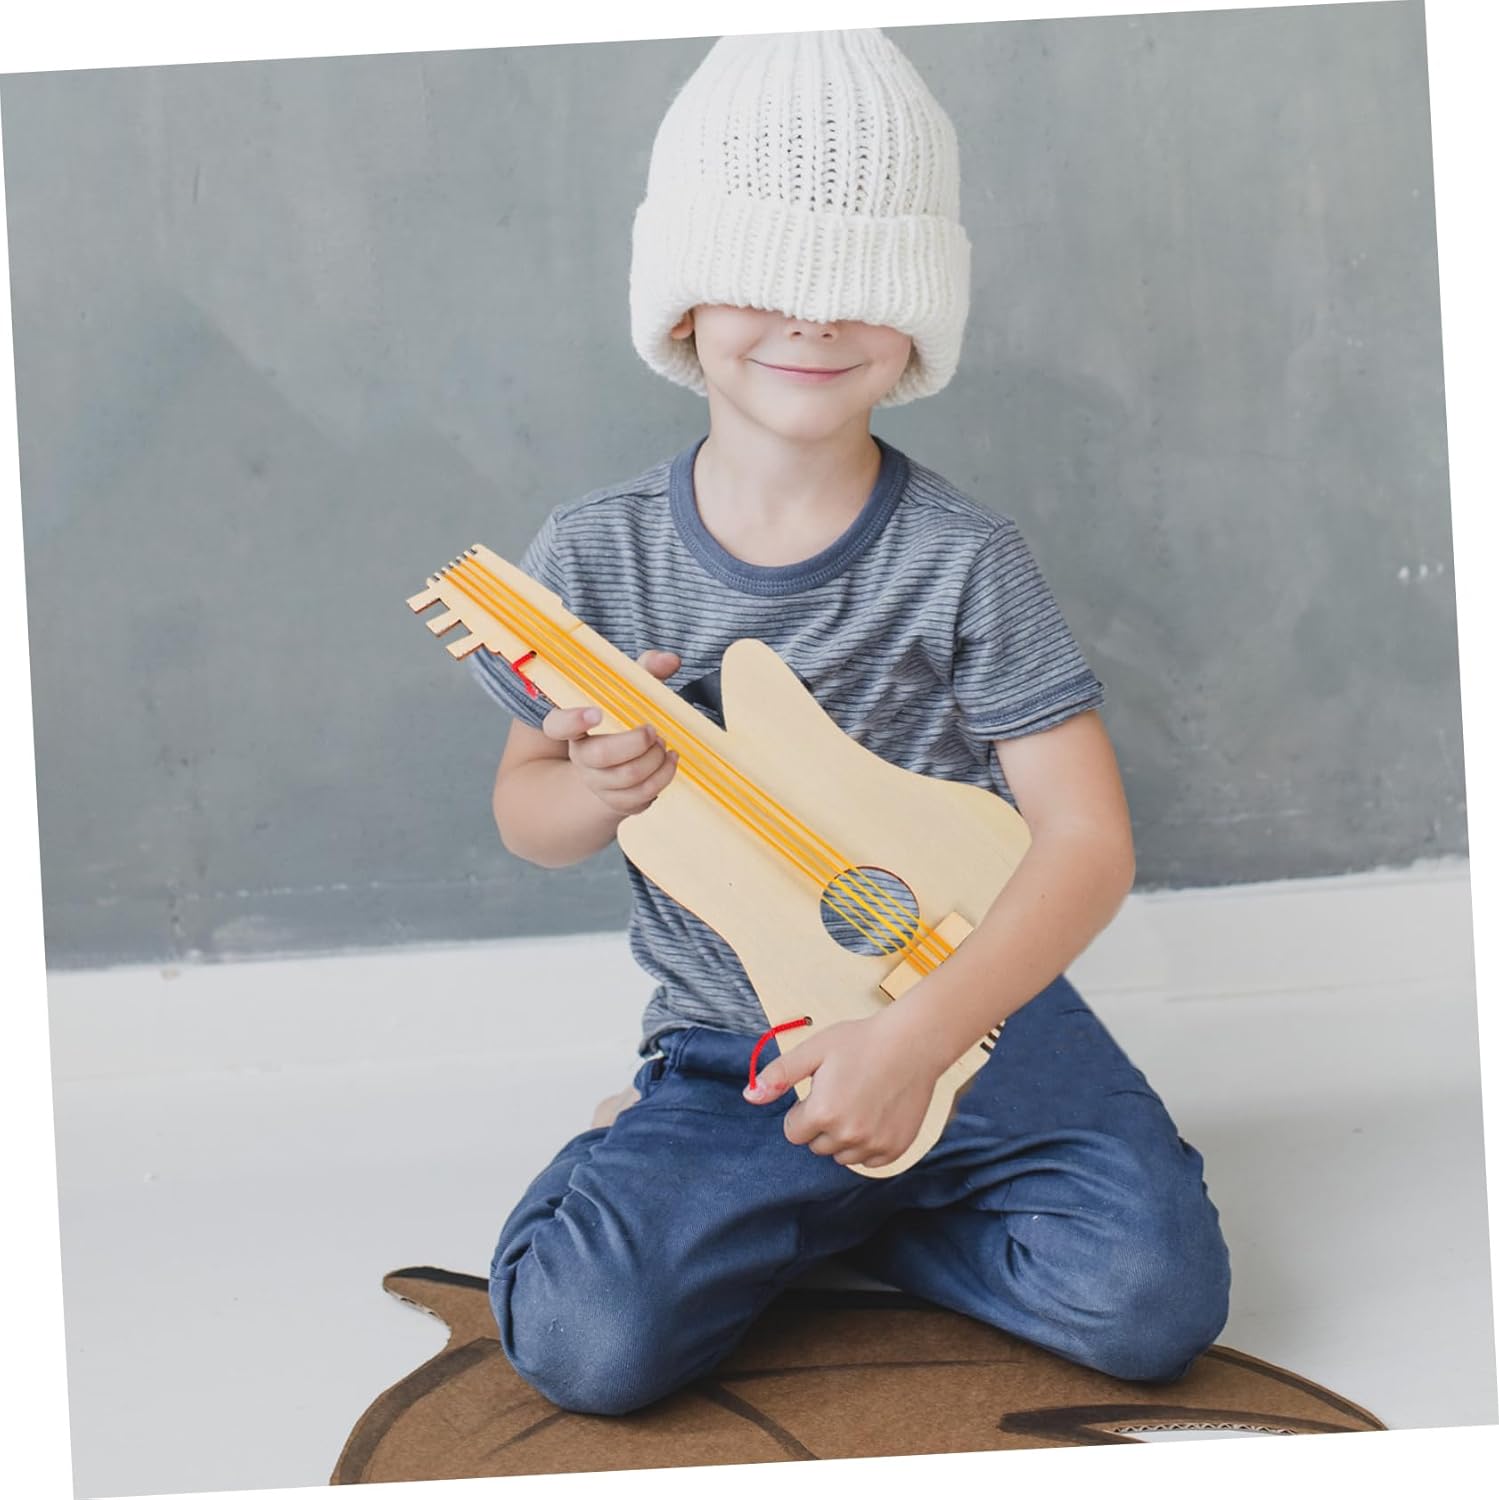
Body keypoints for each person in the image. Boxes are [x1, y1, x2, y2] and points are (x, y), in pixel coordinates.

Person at [468, 29, 1230, 1417]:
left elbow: (1087, 841)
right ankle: (705, 1176)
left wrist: (919, 1041)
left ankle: (832, 1224)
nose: (813, 317)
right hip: (741, 1048)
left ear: (919, 323)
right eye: (766, 275)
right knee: (585, 1342)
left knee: (1151, 1303)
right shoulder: (592, 559)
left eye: (862, 281)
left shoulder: (965, 558)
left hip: (975, 1009)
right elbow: (530, 816)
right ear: (682, 310)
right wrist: (596, 788)